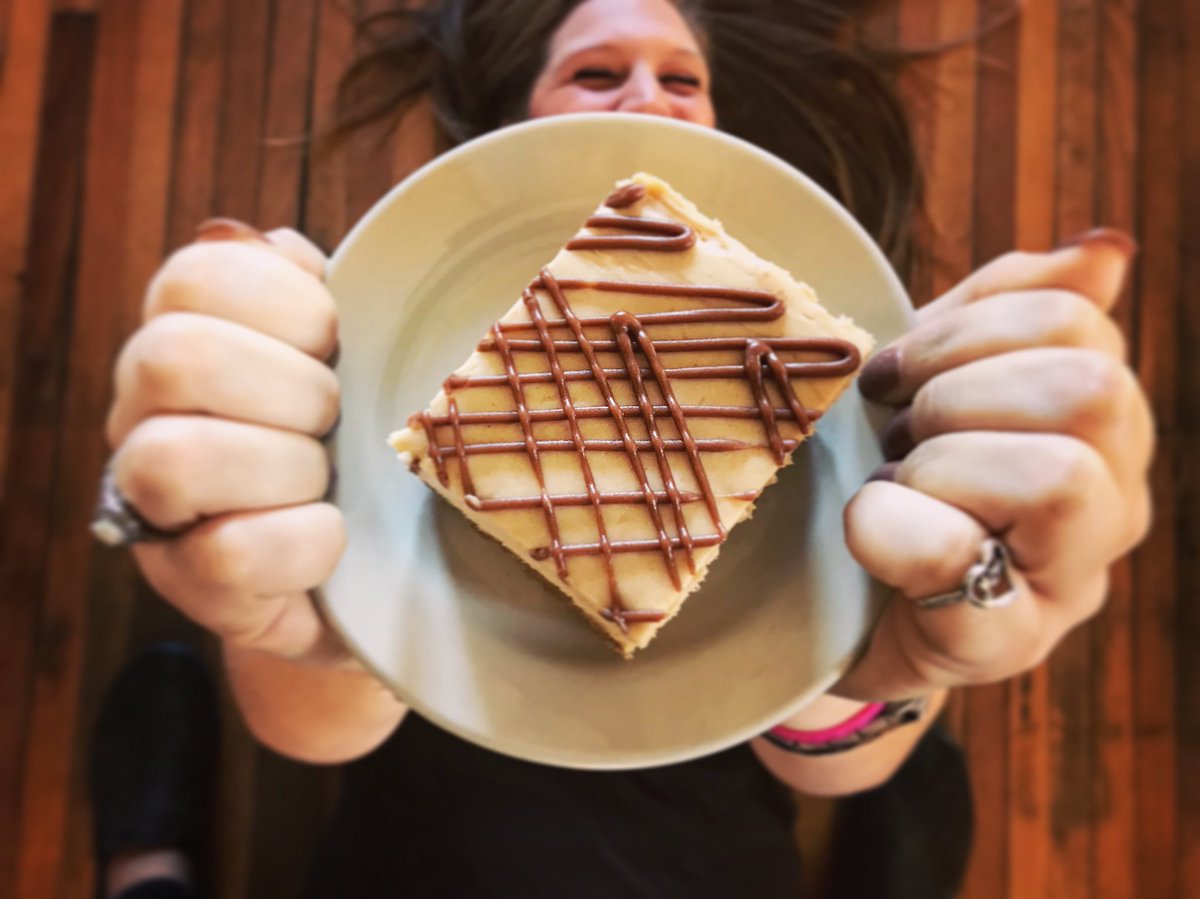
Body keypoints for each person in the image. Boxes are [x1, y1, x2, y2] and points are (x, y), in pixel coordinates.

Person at [91, 0, 1152, 895]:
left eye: (683, 79)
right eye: (597, 73)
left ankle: (149, 863)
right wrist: (307, 616)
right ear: (513, 130)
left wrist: (904, 637)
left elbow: (829, 757)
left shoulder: (817, 346)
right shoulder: (368, 328)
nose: (648, 96)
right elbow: (313, 728)